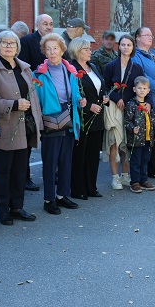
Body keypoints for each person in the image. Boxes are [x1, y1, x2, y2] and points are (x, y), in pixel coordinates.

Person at [0, 31, 42, 225]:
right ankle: (4, 210)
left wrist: (38, 122)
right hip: (4, 128)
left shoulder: (24, 68)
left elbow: (33, 96)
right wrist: (12, 104)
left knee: (20, 170)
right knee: (3, 172)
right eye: (4, 42)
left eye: (12, 43)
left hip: (24, 127)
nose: (9, 46)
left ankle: (17, 207)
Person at [33, 33, 86, 215]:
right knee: (50, 161)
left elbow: (74, 93)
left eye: (55, 48)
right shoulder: (39, 73)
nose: (52, 52)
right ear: (44, 52)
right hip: (51, 116)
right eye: (48, 49)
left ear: (62, 50)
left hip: (70, 115)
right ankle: (49, 199)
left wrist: (80, 100)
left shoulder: (70, 70)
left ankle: (63, 195)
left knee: (66, 159)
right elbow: (36, 100)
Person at [103, 34, 144, 189]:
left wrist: (137, 104)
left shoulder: (137, 67)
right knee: (114, 141)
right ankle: (115, 177)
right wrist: (116, 97)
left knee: (127, 142)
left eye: (129, 45)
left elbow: (140, 87)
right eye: (123, 44)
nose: (126, 47)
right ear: (118, 46)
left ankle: (125, 176)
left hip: (130, 109)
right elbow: (105, 86)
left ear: (133, 48)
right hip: (114, 108)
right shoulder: (110, 66)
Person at [69, 38, 108, 199]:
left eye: (90, 49)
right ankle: (78, 189)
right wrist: (87, 106)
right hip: (83, 117)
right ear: (78, 51)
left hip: (97, 117)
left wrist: (103, 97)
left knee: (93, 155)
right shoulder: (72, 69)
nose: (90, 51)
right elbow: (72, 94)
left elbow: (99, 87)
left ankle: (91, 187)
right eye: (86, 49)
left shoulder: (93, 67)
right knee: (80, 155)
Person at [18, 13, 54, 192]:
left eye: (51, 24)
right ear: (37, 25)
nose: (48, 27)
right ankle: (24, 177)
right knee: (29, 137)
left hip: (50, 96)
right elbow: (24, 68)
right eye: (45, 24)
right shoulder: (27, 42)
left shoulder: (54, 43)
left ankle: (52, 172)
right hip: (32, 94)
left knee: (51, 136)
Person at [132, 27, 155, 180]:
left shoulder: (154, 54)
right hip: (147, 99)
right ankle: (143, 172)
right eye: (146, 35)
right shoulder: (136, 55)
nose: (150, 37)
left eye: (151, 35)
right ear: (137, 38)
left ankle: (153, 168)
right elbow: (142, 76)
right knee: (144, 136)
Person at [124, 76, 155, 193]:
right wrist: (132, 128)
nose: (142, 90)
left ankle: (143, 180)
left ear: (148, 91)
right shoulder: (131, 104)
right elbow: (126, 121)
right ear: (134, 89)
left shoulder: (148, 105)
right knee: (135, 161)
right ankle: (135, 182)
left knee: (145, 160)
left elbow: (153, 120)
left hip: (148, 138)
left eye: (145, 88)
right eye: (140, 88)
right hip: (136, 139)